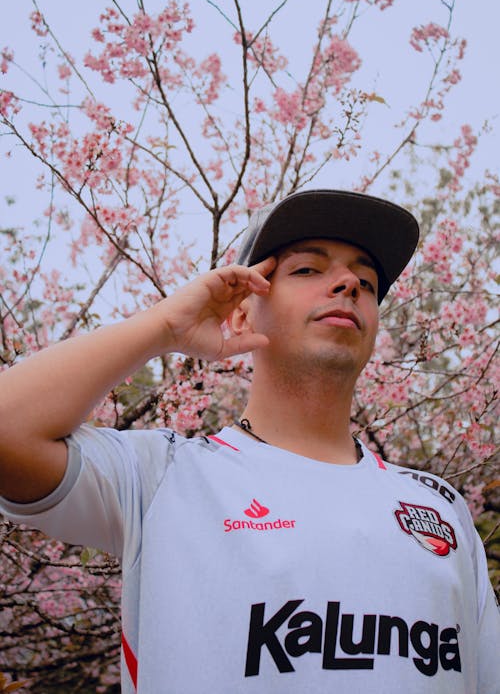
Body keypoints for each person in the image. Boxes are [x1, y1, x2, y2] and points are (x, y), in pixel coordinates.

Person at [0, 189, 498, 694]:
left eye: (366, 282)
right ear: (240, 314)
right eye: (307, 270)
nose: (348, 284)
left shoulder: (441, 509)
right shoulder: (161, 478)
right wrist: (163, 327)